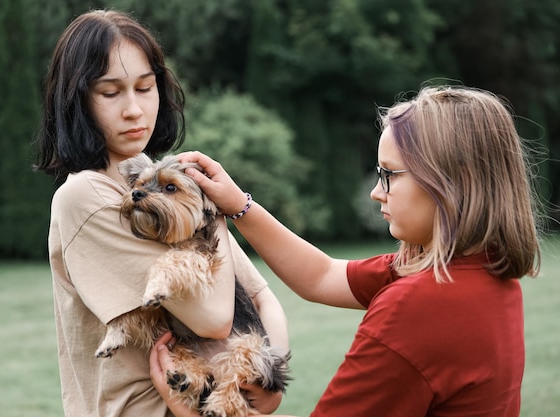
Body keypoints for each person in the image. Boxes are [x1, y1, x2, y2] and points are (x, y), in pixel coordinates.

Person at [150, 85, 543, 417]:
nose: (376, 192)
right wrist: (239, 205)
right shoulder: (483, 272)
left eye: (388, 175)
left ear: (450, 182)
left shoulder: (418, 306)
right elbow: (322, 276)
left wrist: (194, 410)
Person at [34, 9, 288, 417]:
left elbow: (259, 296)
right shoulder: (87, 195)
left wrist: (268, 375)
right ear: (77, 102)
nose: (134, 109)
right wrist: (210, 210)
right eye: (110, 92)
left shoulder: (166, 181)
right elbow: (214, 320)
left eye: (145, 87)